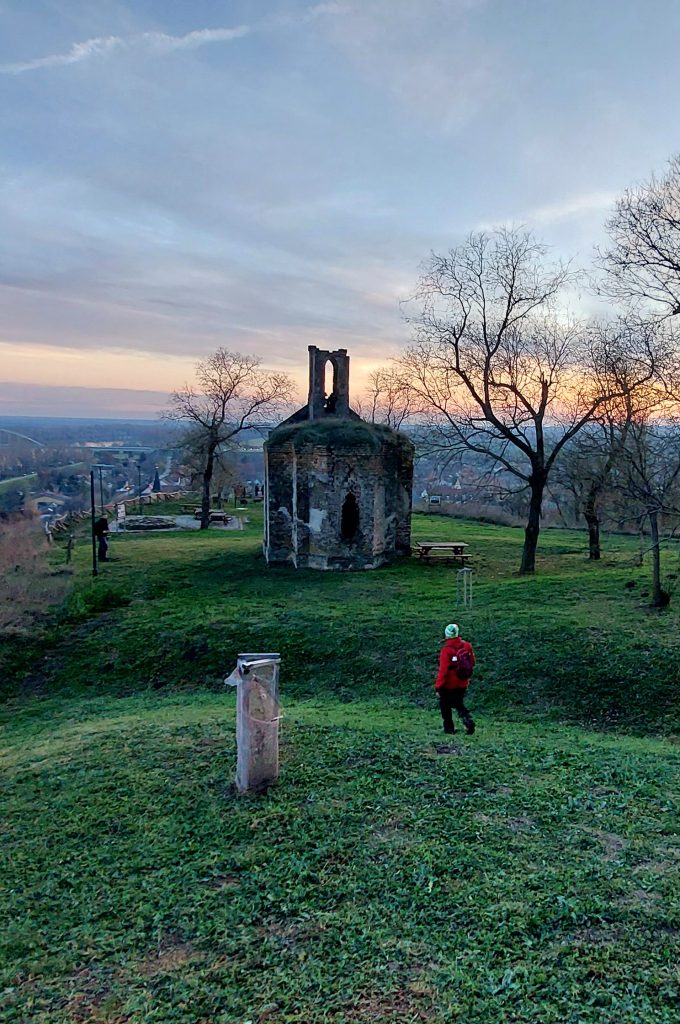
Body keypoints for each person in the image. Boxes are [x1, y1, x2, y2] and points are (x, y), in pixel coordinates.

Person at [435, 623, 476, 735]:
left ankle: (449, 728)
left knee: (445, 705)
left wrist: (438, 686)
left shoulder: (446, 650)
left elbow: (443, 671)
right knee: (458, 703)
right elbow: (472, 662)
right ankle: (468, 720)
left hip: (448, 684)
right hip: (462, 681)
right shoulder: (467, 646)